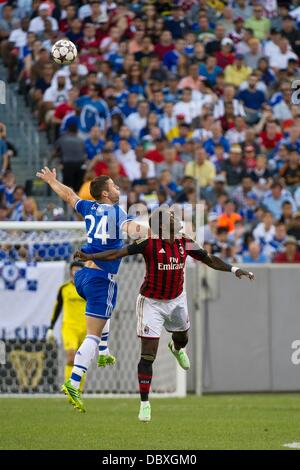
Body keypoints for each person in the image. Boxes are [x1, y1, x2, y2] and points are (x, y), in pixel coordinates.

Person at [75, 207, 254, 422]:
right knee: (148, 354)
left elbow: (207, 258)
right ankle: (144, 404)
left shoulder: (184, 240)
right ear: (161, 225)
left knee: (183, 338)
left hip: (177, 300)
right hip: (151, 303)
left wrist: (234, 270)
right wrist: (90, 255)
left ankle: (176, 349)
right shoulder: (148, 243)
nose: (176, 219)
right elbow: (117, 253)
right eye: (171, 217)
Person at [36, 167, 139, 412]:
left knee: (106, 311)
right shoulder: (117, 212)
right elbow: (133, 229)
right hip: (100, 278)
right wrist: (159, 232)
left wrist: (52, 181)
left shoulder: (89, 208)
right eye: (113, 186)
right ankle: (73, 382)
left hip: (82, 276)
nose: (117, 189)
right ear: (105, 193)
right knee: (92, 335)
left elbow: (69, 195)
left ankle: (104, 351)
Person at [45, 262, 116, 390]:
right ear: (70, 272)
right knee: (71, 357)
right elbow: (57, 308)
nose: (76, 272)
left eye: (79, 270)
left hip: (86, 327)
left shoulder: (88, 287)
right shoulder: (64, 289)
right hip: (69, 327)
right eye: (74, 270)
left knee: (82, 359)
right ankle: (69, 387)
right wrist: (51, 327)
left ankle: (78, 390)